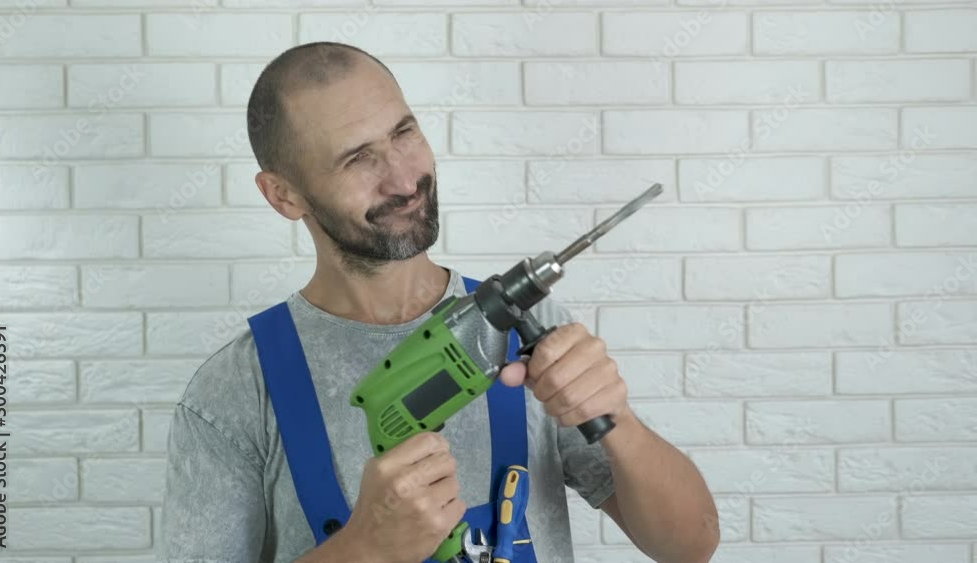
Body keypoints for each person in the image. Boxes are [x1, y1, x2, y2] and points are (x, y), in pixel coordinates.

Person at [158, 41, 719, 563]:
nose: (404, 180)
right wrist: (363, 549)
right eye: (357, 159)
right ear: (283, 195)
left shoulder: (531, 333)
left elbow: (690, 547)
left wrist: (619, 422)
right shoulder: (236, 390)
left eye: (404, 132)